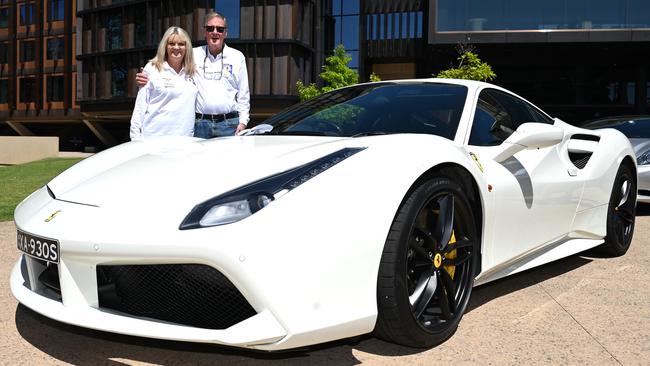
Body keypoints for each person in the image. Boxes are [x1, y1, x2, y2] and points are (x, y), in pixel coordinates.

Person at [136, 12, 250, 138]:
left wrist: (243, 122)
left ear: (225, 33)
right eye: (210, 28)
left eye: (220, 29)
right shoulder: (193, 55)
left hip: (229, 124)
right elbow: (171, 60)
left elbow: (243, 93)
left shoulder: (237, 57)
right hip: (200, 124)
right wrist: (147, 75)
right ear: (204, 32)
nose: (215, 32)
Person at [130, 26, 197, 140]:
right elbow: (140, 106)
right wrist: (135, 138)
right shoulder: (152, 68)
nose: (176, 47)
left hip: (184, 139)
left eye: (181, 44)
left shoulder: (193, 71)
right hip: (154, 137)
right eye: (171, 43)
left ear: (187, 47)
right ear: (165, 46)